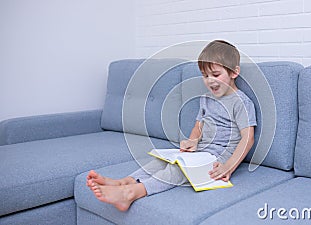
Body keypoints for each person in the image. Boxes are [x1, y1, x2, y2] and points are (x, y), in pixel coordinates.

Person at [87, 40, 257, 211]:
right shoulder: (206, 98)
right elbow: (198, 126)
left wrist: (228, 167)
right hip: (201, 152)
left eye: (215, 74)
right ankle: (123, 182)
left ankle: (132, 193)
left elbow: (248, 138)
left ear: (234, 73)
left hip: (218, 158)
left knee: (177, 171)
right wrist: (192, 141)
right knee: (159, 163)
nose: (210, 81)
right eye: (205, 76)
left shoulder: (241, 102)